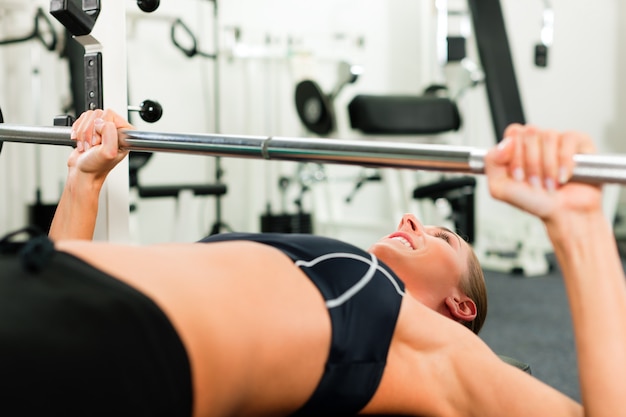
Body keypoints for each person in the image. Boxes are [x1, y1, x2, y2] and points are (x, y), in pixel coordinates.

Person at [0, 108, 624, 417]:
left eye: (441, 236)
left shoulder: (435, 349)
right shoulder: (344, 267)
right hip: (42, 279)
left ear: (460, 307)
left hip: (108, 346)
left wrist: (578, 227)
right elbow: (71, 263)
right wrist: (87, 181)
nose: (410, 220)